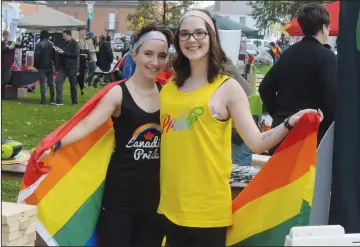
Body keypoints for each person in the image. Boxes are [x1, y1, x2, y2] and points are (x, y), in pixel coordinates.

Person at [158, 9, 322, 247]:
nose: (191, 40)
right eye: (184, 34)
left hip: (207, 210)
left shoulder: (228, 88)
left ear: (212, 37)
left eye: (199, 33)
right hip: (170, 207)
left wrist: (290, 122)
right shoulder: (170, 88)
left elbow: (256, 142)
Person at [40, 23, 173, 247]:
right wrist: (54, 144)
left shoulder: (169, 95)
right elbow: (86, 127)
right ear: (135, 54)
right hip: (120, 199)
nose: (154, 62)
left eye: (161, 56)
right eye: (148, 54)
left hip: (156, 200)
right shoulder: (117, 93)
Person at [259, 3, 337, 154]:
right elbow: (331, 102)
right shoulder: (328, 58)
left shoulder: (288, 54)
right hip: (311, 136)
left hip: (282, 132)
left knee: (279, 176)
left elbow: (265, 87)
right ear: (323, 27)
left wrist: (278, 114)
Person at [54, 30, 80, 105]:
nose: (63, 37)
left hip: (72, 67)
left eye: (64, 36)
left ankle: (74, 101)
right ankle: (59, 100)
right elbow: (65, 54)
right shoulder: (66, 43)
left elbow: (75, 54)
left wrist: (63, 53)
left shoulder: (75, 43)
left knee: (73, 84)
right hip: (64, 67)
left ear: (69, 35)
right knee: (58, 81)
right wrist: (59, 52)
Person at [34, 30, 56, 105]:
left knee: (42, 83)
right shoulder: (52, 44)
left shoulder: (39, 44)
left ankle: (43, 100)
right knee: (51, 83)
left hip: (41, 66)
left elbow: (36, 56)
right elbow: (55, 56)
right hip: (50, 66)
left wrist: (36, 65)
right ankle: (52, 99)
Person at [1, 30, 23, 100]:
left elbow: (20, 45)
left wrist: (20, 38)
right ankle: (3, 97)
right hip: (1, 65)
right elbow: (2, 49)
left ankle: (3, 96)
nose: (6, 36)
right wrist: (8, 47)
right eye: (4, 35)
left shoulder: (12, 43)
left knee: (6, 80)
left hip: (8, 65)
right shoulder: (1, 43)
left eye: (7, 35)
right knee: (3, 80)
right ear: (3, 36)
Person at [77, 28, 89, 96]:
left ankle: (81, 86)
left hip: (83, 59)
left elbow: (85, 49)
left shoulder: (84, 41)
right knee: (81, 74)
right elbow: (83, 49)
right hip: (82, 59)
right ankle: (81, 86)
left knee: (82, 74)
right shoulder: (81, 41)